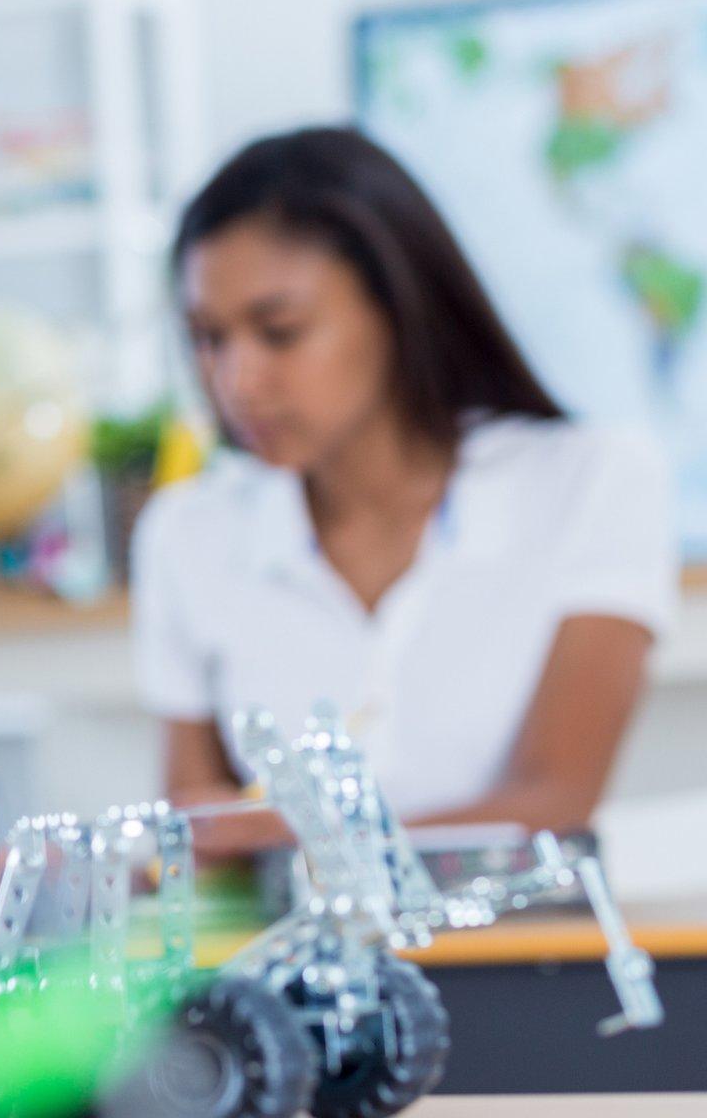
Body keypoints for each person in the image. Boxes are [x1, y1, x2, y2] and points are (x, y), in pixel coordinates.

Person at [135, 127, 677, 859]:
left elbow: (553, 806)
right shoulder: (187, 532)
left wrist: (290, 837)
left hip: (513, 961)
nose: (237, 381)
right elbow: (194, 842)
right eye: (208, 338)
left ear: (398, 305)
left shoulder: (594, 481)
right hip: (293, 969)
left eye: (280, 331)